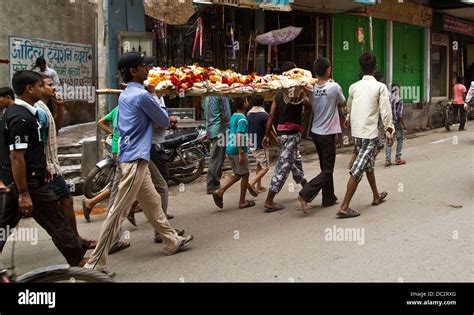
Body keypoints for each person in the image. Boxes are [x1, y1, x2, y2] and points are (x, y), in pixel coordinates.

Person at [84, 52, 193, 274]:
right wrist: (154, 97)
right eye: (143, 66)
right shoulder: (142, 96)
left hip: (133, 156)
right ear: (133, 71)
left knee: (153, 204)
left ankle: (171, 240)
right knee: (118, 212)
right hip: (133, 159)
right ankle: (95, 263)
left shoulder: (125, 95)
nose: (148, 69)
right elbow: (162, 120)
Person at [0, 70, 89, 265]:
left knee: (4, 225)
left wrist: (42, 167)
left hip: (24, 179)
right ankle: (77, 260)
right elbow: (16, 157)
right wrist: (24, 192)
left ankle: (77, 258)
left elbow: (30, 150)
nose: (43, 89)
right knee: (56, 221)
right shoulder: (20, 118)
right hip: (27, 182)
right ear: (29, 88)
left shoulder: (27, 113)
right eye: (40, 86)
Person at [35, 76, 97, 248]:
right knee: (58, 205)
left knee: (65, 200)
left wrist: (60, 106)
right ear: (37, 87)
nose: (53, 88)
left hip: (51, 166)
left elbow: (56, 128)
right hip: (45, 168)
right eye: (48, 85)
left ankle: (75, 240)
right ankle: (73, 244)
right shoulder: (37, 110)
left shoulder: (45, 108)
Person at [337, 53, 394, 219]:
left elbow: (349, 107)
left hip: (357, 133)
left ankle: (376, 196)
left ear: (360, 67)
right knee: (358, 169)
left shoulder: (354, 87)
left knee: (368, 165)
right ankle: (344, 206)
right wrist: (390, 131)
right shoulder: (380, 87)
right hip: (369, 135)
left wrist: (347, 118)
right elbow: (386, 111)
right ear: (375, 68)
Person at [261, 62, 310, 213]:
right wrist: (305, 94)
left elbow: (272, 115)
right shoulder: (297, 92)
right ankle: (269, 200)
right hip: (291, 134)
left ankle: (308, 190)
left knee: (295, 161)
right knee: (284, 166)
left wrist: (267, 134)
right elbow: (309, 106)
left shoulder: (278, 94)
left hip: (282, 134)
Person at [298, 58, 345, 213]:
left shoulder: (310, 88)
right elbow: (342, 102)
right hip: (327, 133)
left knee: (325, 166)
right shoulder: (334, 87)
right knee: (328, 170)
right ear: (328, 70)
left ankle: (329, 197)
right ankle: (305, 194)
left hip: (316, 132)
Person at [212, 97, 257, 209]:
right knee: (245, 174)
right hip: (238, 149)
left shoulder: (234, 116)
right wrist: (241, 153)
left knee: (238, 174)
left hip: (230, 148)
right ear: (244, 104)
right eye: (246, 100)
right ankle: (241, 201)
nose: (248, 102)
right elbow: (239, 135)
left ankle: (220, 191)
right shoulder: (242, 119)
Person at [203, 96, 232, 194]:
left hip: (211, 129)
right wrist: (231, 128)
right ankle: (212, 184)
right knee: (217, 159)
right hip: (219, 130)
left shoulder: (207, 96)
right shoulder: (222, 95)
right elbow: (226, 114)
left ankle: (213, 182)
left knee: (215, 157)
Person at [246, 95, 271, 194]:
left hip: (252, 143)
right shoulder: (265, 115)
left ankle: (259, 186)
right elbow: (269, 130)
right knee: (266, 167)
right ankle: (252, 183)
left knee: (259, 164)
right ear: (263, 102)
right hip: (261, 143)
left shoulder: (248, 114)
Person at [385, 84, 407, 166]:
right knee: (400, 139)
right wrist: (404, 124)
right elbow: (399, 114)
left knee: (389, 139)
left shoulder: (387, 99)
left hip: (389, 123)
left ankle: (387, 159)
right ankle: (398, 158)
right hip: (396, 123)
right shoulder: (399, 99)